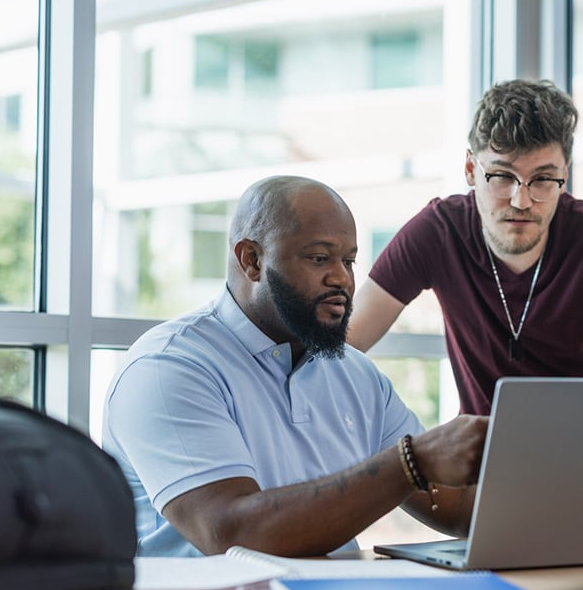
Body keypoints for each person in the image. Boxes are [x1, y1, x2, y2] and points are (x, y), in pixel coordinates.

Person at [102, 175, 488, 558]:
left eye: (349, 260)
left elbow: (452, 506)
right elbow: (231, 532)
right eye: (319, 258)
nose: (342, 279)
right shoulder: (169, 367)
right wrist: (409, 463)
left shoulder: (357, 375)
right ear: (251, 260)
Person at [348, 79, 583, 415]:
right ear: (470, 169)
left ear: (564, 174)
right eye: (502, 176)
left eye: (542, 179)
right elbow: (346, 343)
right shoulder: (439, 231)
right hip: (479, 454)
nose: (522, 200)